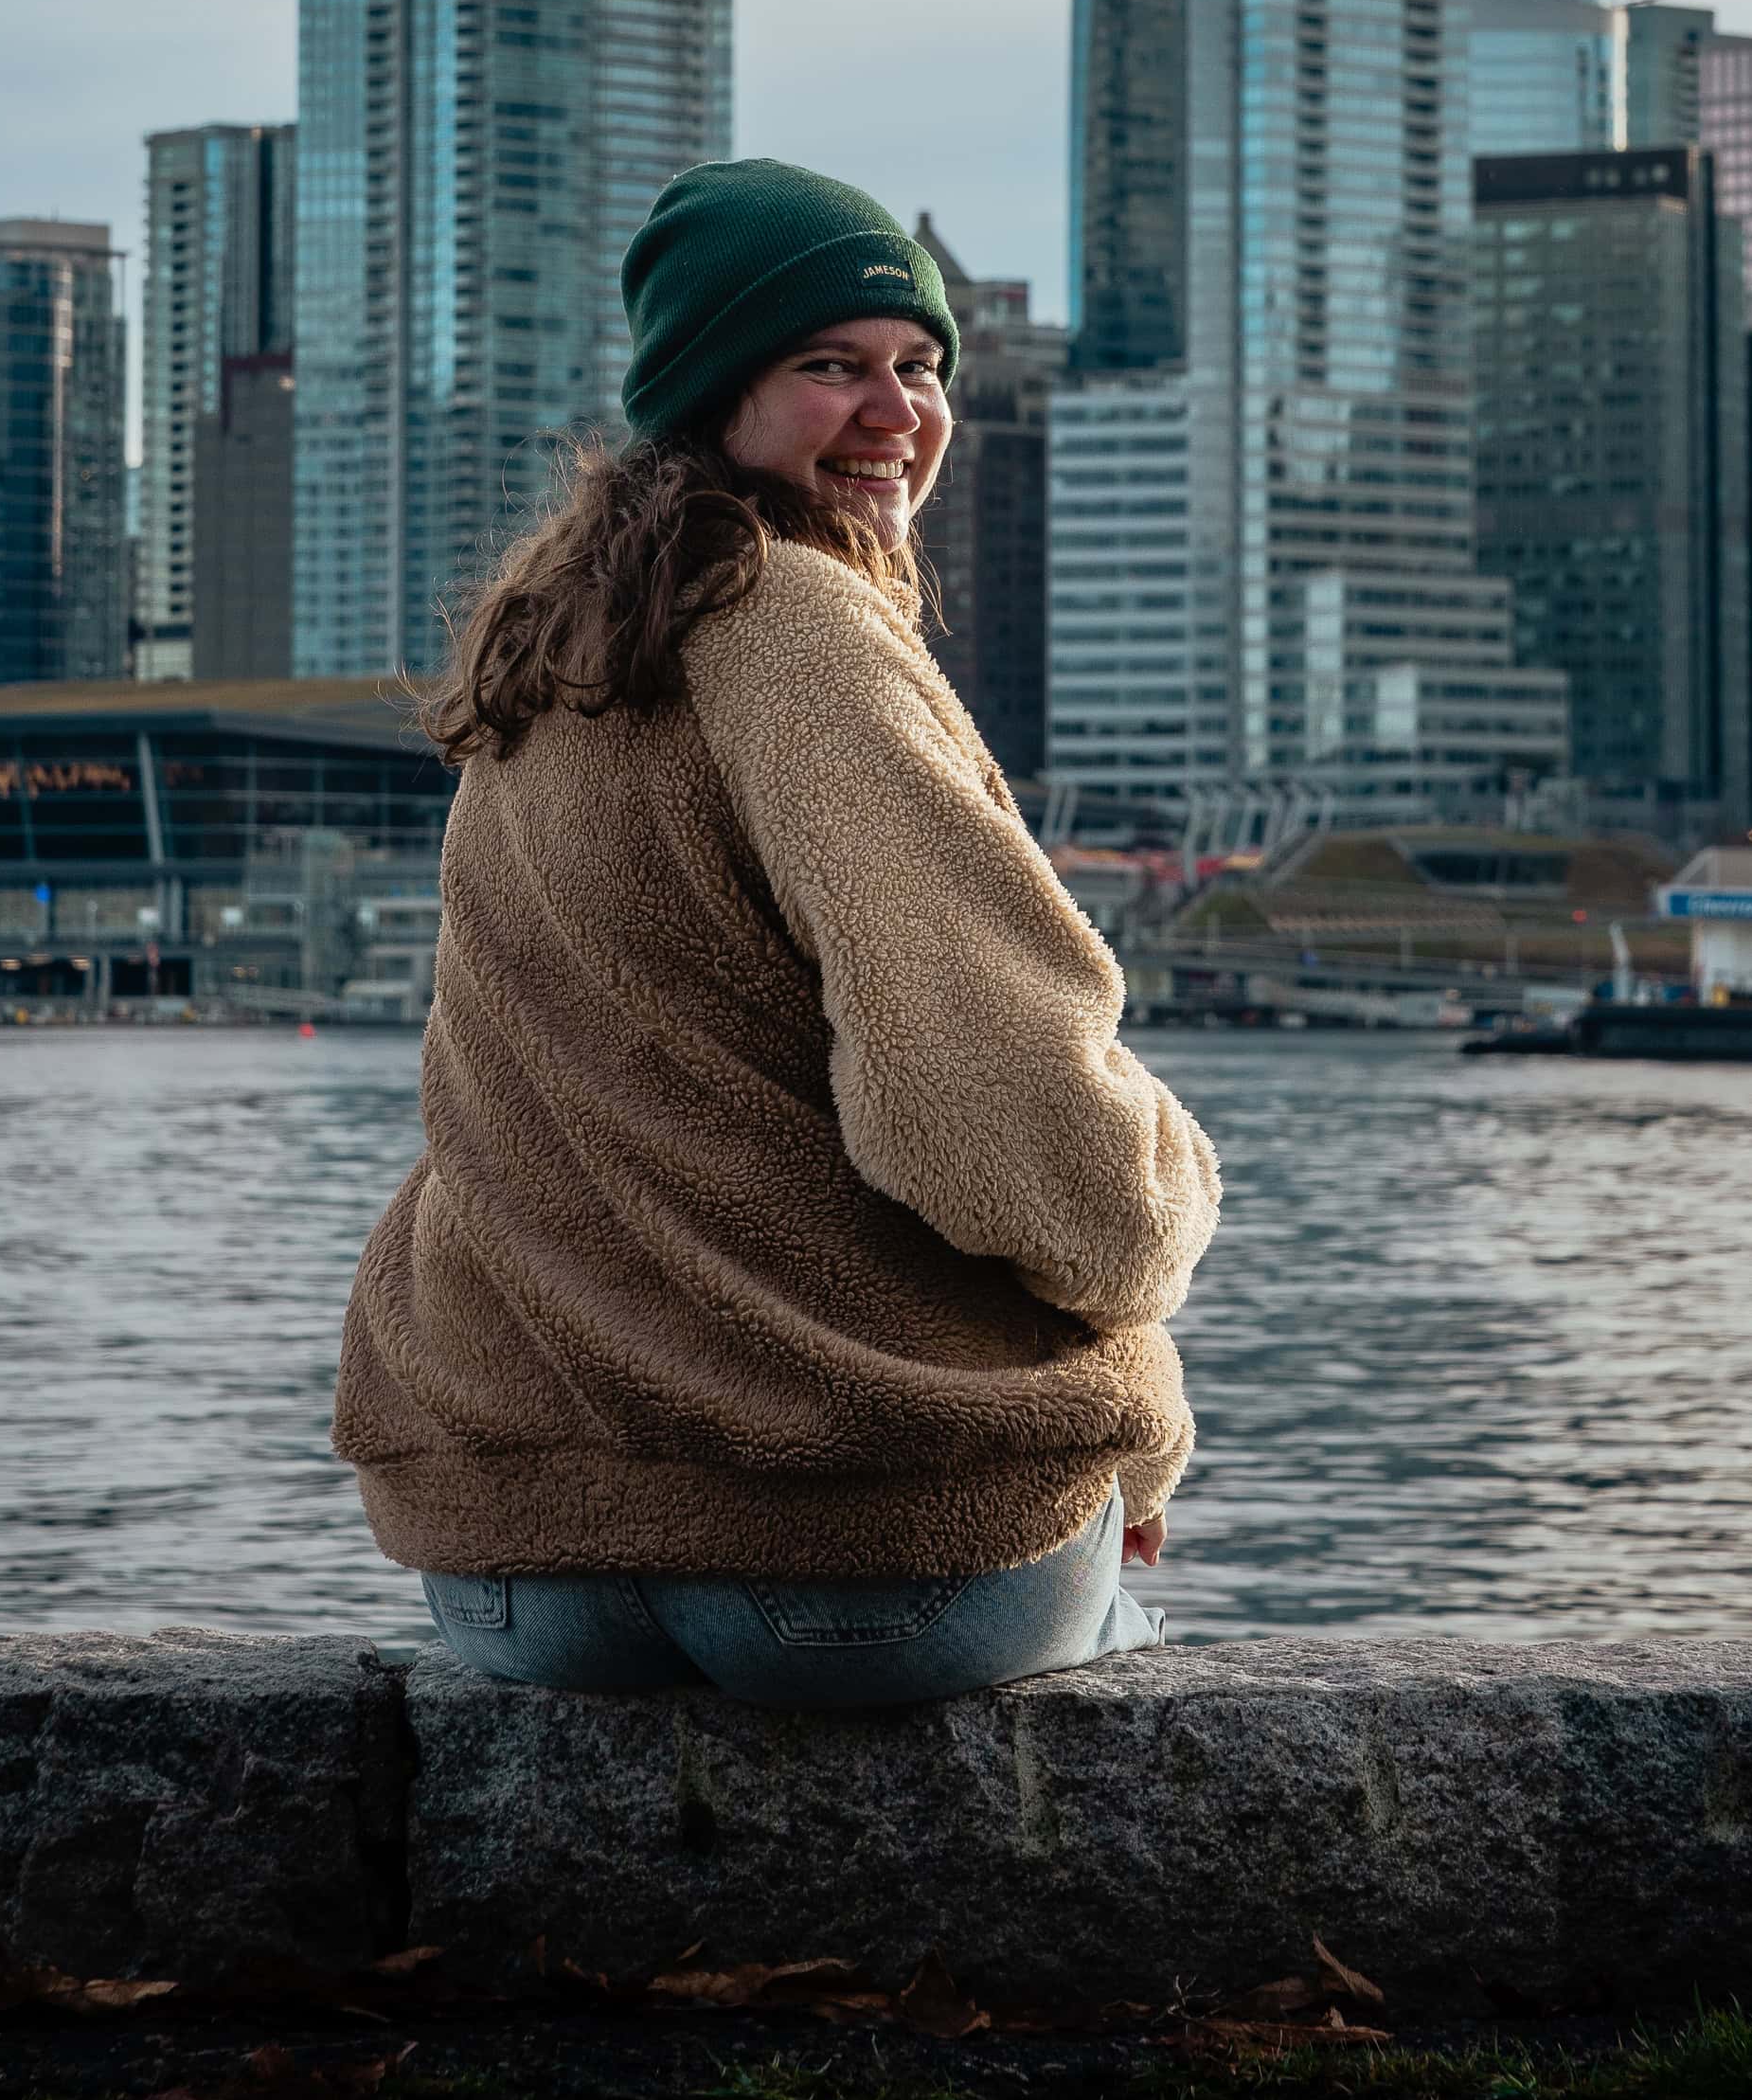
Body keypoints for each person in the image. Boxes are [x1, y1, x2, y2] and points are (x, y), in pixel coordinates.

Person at [332, 156, 1221, 1706]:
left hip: (513, 1576)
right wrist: (1153, 1283)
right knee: (1135, 1664)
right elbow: (985, 1106)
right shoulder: (797, 629)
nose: (898, 412)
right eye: (831, 366)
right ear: (711, 391)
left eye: (920, 367)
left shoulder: (557, 654)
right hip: (858, 1566)